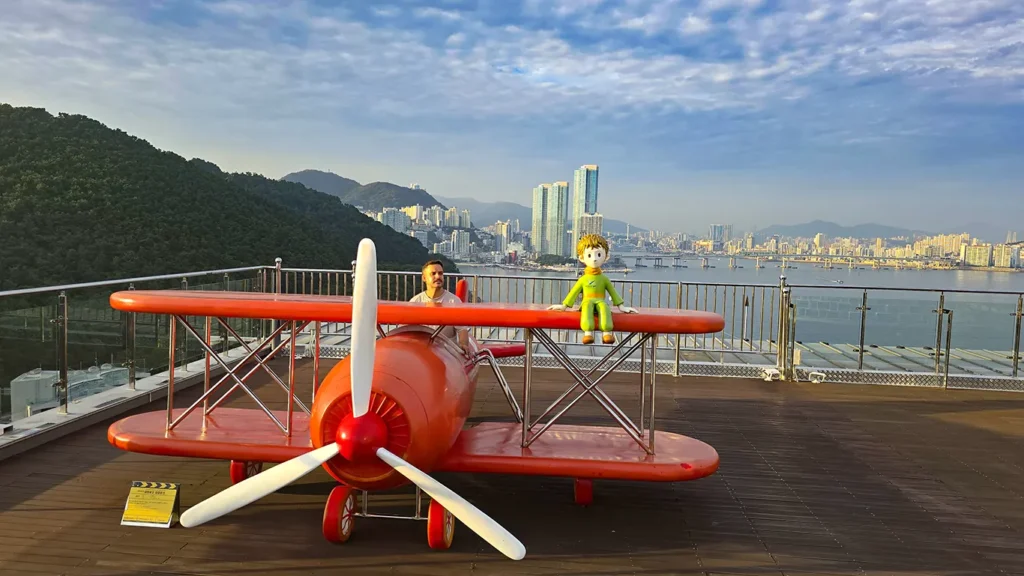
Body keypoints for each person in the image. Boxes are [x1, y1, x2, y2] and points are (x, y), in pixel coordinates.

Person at [409, 259, 472, 354]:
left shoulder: (454, 301)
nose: (438, 276)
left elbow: (462, 329)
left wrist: (463, 344)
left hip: (447, 351)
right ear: (424, 278)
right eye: (433, 274)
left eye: (440, 273)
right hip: (423, 350)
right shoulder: (415, 301)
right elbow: (407, 329)